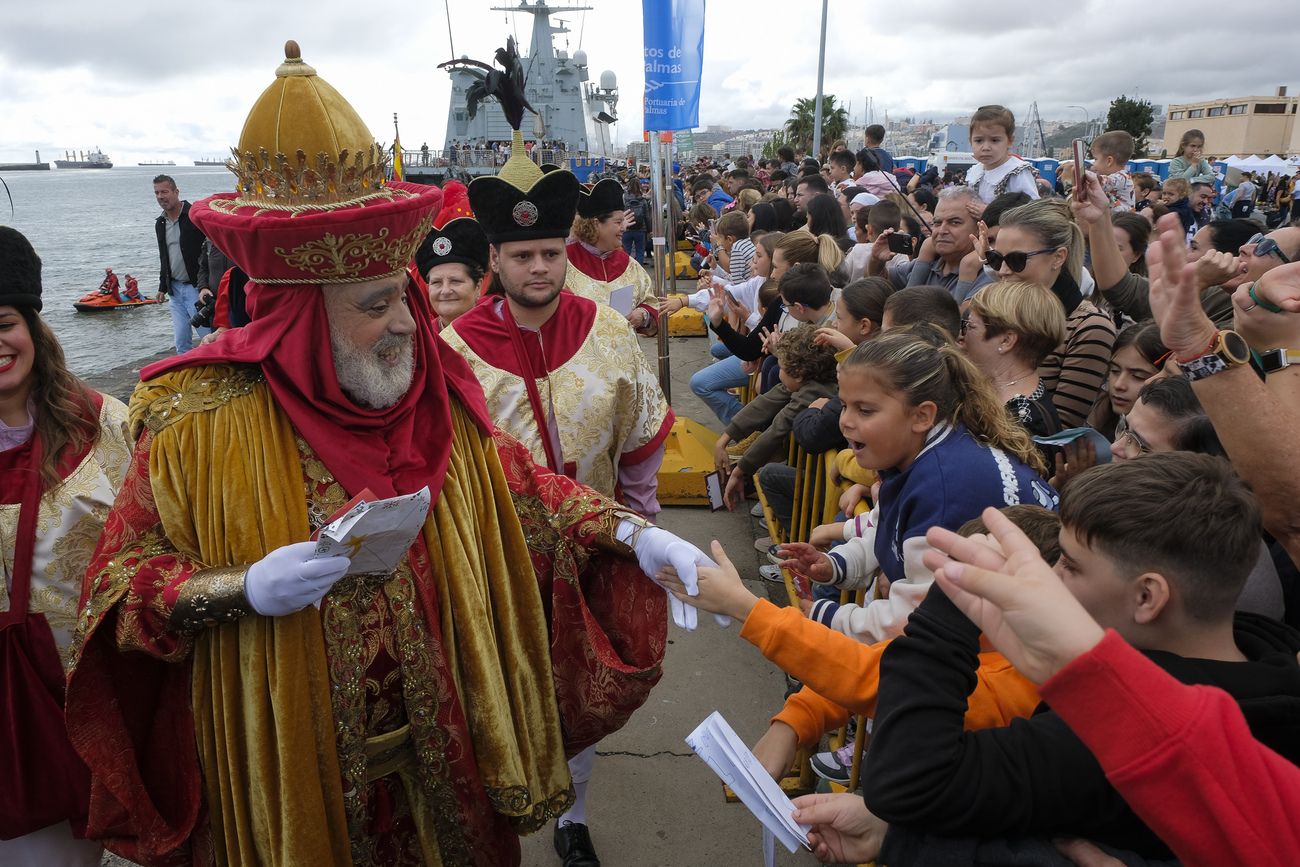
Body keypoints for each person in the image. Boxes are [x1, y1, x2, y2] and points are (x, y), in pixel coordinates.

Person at [66, 43, 714, 867]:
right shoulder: (194, 421)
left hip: (444, 756)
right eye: (378, 305)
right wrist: (237, 588)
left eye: (406, 296)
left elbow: (526, 491)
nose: (411, 323)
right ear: (301, 317)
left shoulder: (426, 392)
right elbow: (119, 592)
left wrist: (635, 536)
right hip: (291, 774)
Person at [785, 505, 1300, 867]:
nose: (1048, 578)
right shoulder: (1268, 659)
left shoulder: (1106, 730)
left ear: (1147, 596)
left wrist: (947, 610)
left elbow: (905, 783)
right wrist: (894, 837)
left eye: (1069, 566)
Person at [439, 121, 683, 866]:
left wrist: (640, 528)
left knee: (582, 692)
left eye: (549, 253)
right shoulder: (456, 349)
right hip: (499, 560)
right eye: (522, 256)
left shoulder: (606, 332)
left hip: (597, 545)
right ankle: (500, 802)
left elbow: (642, 437)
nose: (539, 267)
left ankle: (572, 815)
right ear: (497, 261)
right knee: (503, 690)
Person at [776, 326, 1056, 644]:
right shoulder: (928, 451)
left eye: (865, 410)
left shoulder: (946, 491)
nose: (845, 421)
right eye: (844, 405)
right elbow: (890, 530)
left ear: (922, 416)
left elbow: (914, 619)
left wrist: (823, 616)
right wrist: (835, 565)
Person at [0, 227, 132, 867]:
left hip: (79, 701)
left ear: (31, 325)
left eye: (4, 323)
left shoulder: (103, 424)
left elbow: (152, 541)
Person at [994, 198, 1117, 427]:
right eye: (996, 259)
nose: (1003, 270)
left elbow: (1057, 431)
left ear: (1058, 257)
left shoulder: (1089, 327)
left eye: (1017, 260)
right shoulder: (994, 314)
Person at [961, 280, 1065, 439]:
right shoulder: (995, 393)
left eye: (970, 326)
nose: (961, 337)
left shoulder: (1024, 422)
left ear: (1006, 341)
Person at [565, 178, 659, 335]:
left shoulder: (628, 263)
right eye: (618, 222)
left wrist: (643, 315)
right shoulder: (563, 261)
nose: (624, 227)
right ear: (595, 224)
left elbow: (651, 303)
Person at [871, 187, 993, 301]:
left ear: (979, 229)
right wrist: (877, 260)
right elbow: (877, 288)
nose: (942, 231)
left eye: (955, 222)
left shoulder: (988, 275)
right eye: (937, 223)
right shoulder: (925, 263)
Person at [413, 180, 488, 328]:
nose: (445, 291)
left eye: (456, 281)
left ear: (478, 286)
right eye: (436, 283)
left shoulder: (500, 338)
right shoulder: (419, 342)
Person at [152, 174, 210, 352]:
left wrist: (205, 285)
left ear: (176, 192)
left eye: (165, 191)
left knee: (207, 336)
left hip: (195, 288)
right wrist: (163, 287)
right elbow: (165, 256)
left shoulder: (195, 217)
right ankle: (186, 377)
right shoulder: (160, 223)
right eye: (157, 193)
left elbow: (209, 253)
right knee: (181, 341)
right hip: (175, 290)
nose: (161, 196)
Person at [964, 105, 1040, 203]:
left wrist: (989, 212)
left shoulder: (1016, 173)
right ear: (970, 141)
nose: (986, 147)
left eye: (994, 140)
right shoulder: (975, 172)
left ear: (1009, 141)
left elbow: (1032, 209)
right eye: (979, 141)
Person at [1089, 130, 1135, 212]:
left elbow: (1103, 181)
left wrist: (1082, 173)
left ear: (1109, 161)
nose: (1093, 164)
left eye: (1095, 159)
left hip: (1122, 222)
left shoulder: (1122, 177)